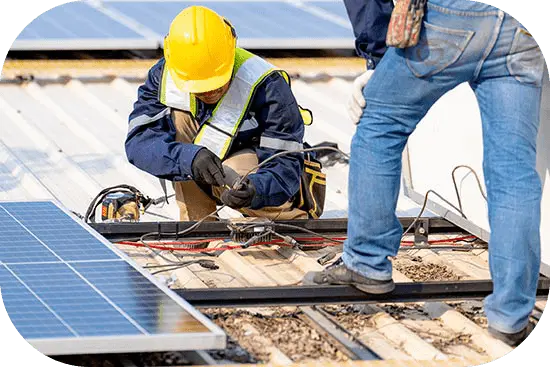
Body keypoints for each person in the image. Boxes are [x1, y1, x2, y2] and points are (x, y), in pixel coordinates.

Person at [307, 0, 547, 347]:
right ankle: (510, 317)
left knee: (379, 123)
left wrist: (378, 60)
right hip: (523, 26)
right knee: (514, 174)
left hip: (456, 15)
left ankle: (367, 262)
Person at [125, 5, 316, 221]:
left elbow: (286, 164)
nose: (208, 91)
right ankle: (198, 225)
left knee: (234, 170)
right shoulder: (165, 76)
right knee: (178, 119)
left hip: (256, 176)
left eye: (216, 83)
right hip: (202, 166)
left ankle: (290, 220)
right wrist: (190, 158)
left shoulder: (268, 86)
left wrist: (256, 190)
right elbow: (139, 142)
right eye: (200, 86)